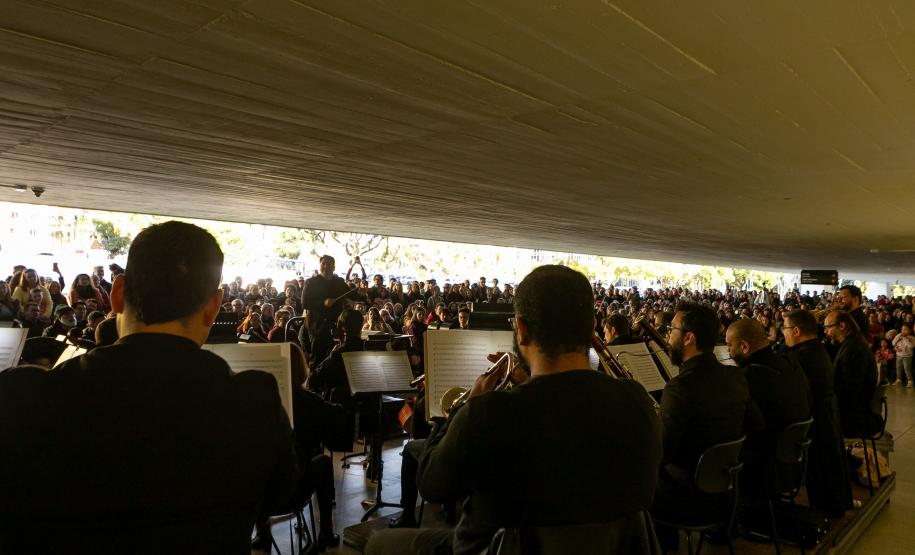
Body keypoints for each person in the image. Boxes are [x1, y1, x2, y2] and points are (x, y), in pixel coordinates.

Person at [0, 221, 297, 554]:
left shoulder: (21, 397)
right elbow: (282, 495)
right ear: (214, 307)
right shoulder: (254, 401)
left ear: (117, 294)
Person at [366, 265, 662, 555]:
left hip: (494, 547)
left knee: (378, 544)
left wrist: (463, 408)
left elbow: (432, 484)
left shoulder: (488, 412)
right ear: (592, 328)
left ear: (521, 330)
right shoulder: (638, 402)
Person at [651, 302, 762, 545]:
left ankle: (663, 545)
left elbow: (660, 454)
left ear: (689, 338)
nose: (668, 335)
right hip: (728, 493)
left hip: (692, 500)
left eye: (672, 329)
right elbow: (756, 426)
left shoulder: (680, 388)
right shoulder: (735, 376)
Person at [725, 319, 810, 497]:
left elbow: (736, 424)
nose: (728, 351)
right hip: (793, 461)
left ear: (745, 346)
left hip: (762, 467)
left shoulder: (749, 376)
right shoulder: (789, 362)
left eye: (729, 345)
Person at [782, 309, 852, 517]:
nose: (782, 333)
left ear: (796, 331)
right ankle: (834, 505)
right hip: (826, 413)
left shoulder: (800, 356)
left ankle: (826, 508)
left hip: (817, 419)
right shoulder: (815, 349)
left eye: (784, 329)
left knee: (823, 467)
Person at [824, 309, 879, 438]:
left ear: (842, 326)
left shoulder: (854, 350)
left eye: (828, 327)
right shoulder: (852, 344)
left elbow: (849, 393)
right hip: (854, 413)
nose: (825, 332)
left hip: (853, 420)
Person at [301, 255, 356, 366]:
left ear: (334, 267)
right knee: (318, 359)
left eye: (329, 264)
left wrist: (362, 294)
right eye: (323, 264)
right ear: (320, 265)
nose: (326, 266)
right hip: (317, 326)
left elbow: (352, 294)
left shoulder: (339, 282)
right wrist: (323, 303)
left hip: (336, 325)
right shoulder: (311, 282)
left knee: (336, 359)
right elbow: (305, 303)